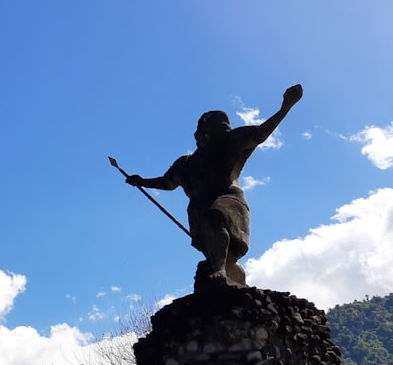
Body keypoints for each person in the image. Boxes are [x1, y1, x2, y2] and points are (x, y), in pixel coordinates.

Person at [127, 84, 303, 287]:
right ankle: (222, 267)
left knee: (214, 217)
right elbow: (167, 182)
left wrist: (284, 109)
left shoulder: (230, 142)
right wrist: (141, 182)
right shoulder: (186, 163)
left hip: (228, 201)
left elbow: (258, 134)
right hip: (198, 209)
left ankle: (220, 270)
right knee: (211, 230)